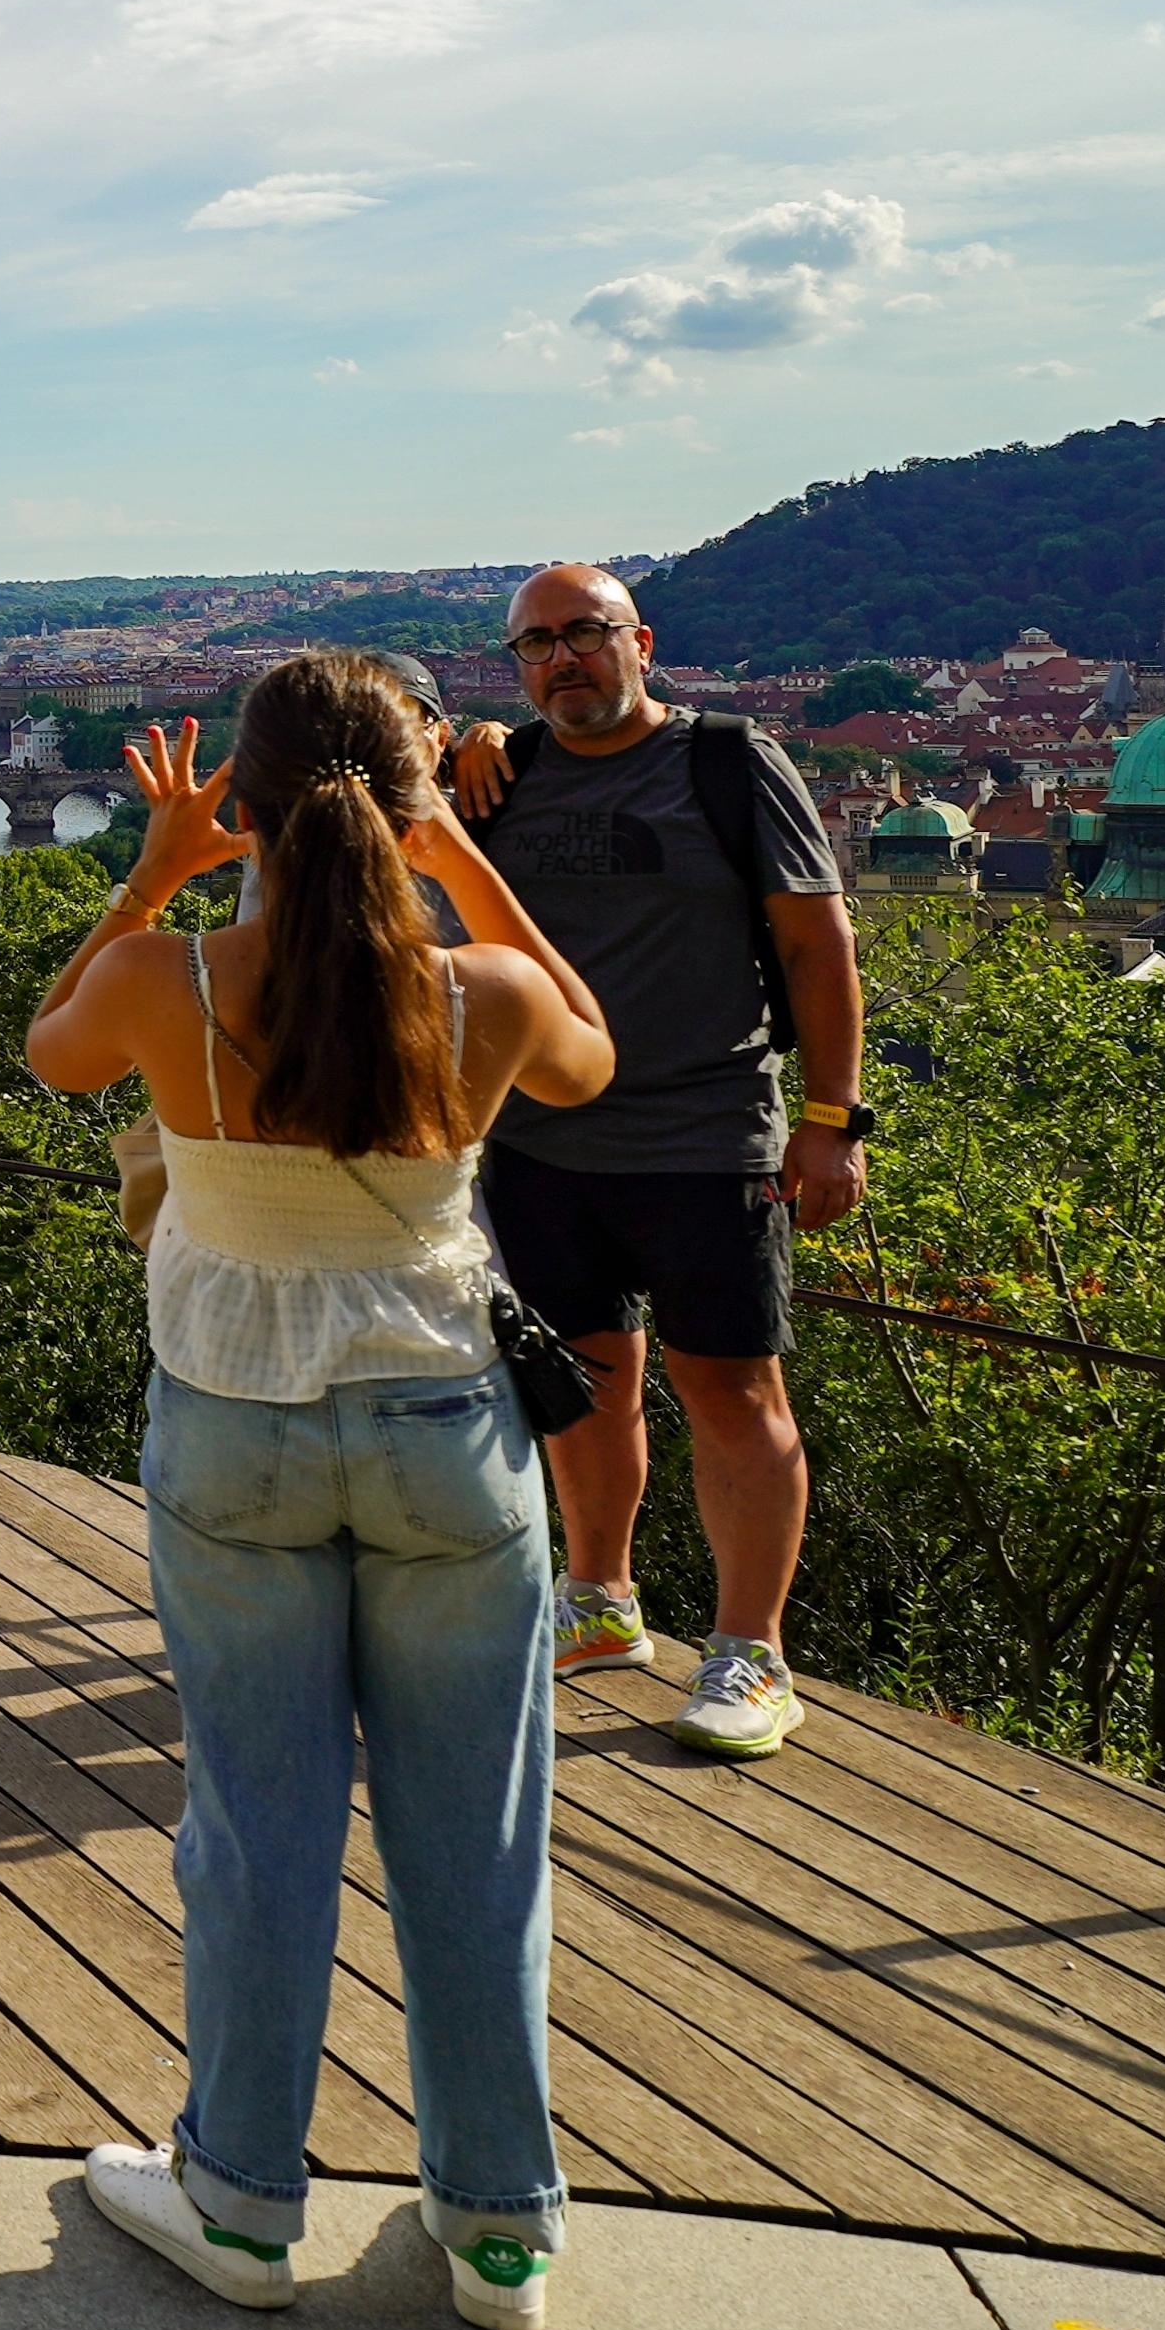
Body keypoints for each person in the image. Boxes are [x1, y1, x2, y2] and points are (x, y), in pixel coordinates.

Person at [25, 655, 616, 2330]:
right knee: (479, 1840)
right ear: (409, 796)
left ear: (250, 804)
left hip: (232, 1427)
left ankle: (237, 2197)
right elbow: (592, 1056)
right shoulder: (481, 993)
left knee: (256, 1826)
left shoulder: (168, 979)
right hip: (447, 1429)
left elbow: (53, 1052)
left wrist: (149, 871)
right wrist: (464, 866)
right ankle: (502, 2232)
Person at [440, 563, 866, 1759]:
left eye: (585, 633)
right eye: (535, 644)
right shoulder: (497, 774)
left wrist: (834, 1117)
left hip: (706, 1128)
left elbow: (817, 940)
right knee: (583, 1379)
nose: (563, 659)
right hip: (535, 1139)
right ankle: (600, 1597)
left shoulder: (726, 760)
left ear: (641, 641)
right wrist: (455, 737)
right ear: (514, 666)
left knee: (733, 1389)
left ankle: (751, 1651)